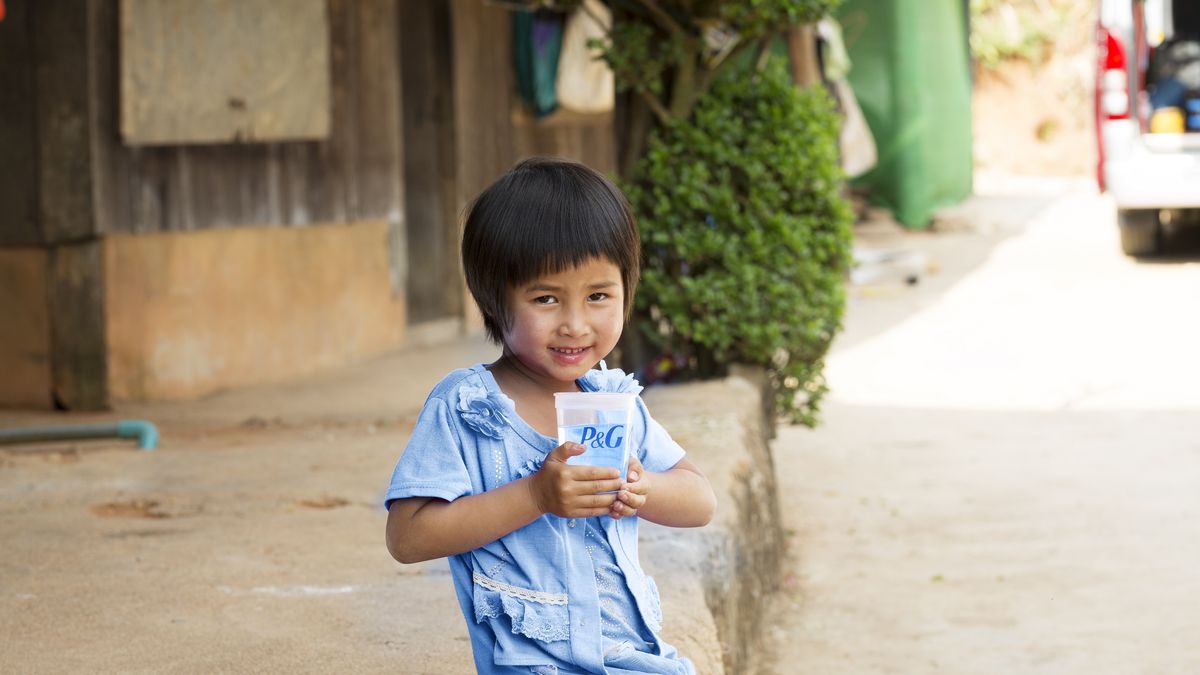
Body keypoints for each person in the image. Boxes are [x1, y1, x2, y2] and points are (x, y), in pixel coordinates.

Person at [384, 157, 717, 674]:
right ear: (493, 300)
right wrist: (536, 496)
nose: (575, 324)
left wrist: (643, 486)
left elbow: (700, 501)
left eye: (598, 295)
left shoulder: (613, 400)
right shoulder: (468, 408)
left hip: (635, 661)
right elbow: (408, 537)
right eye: (546, 298)